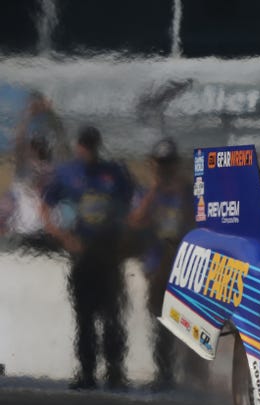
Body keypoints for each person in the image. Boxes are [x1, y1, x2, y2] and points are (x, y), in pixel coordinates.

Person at [41, 125, 134, 390]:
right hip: (82, 251)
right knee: (84, 315)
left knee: (113, 314)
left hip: (107, 251)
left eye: (92, 145)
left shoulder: (113, 173)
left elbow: (129, 204)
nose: (88, 150)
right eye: (84, 144)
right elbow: (45, 204)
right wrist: (62, 236)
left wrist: (124, 236)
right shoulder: (67, 173)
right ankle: (87, 371)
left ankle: (115, 371)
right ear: (78, 145)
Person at [128, 137, 205, 391]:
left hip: (185, 263)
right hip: (158, 264)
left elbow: (199, 223)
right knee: (161, 321)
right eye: (161, 164)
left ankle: (196, 375)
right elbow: (135, 221)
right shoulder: (147, 192)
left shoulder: (190, 190)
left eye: (169, 163)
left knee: (192, 319)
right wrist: (155, 190)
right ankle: (165, 373)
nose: (165, 168)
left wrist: (181, 190)